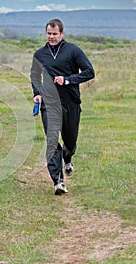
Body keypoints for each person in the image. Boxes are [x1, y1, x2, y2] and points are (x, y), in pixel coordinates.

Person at [30, 18, 95, 195]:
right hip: (49, 104)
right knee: (52, 141)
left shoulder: (73, 51)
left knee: (70, 141)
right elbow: (35, 76)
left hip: (70, 103)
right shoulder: (39, 54)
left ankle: (68, 156)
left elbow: (90, 72)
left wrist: (67, 80)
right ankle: (58, 181)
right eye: (49, 34)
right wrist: (37, 93)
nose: (51, 37)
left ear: (62, 33)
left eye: (54, 34)